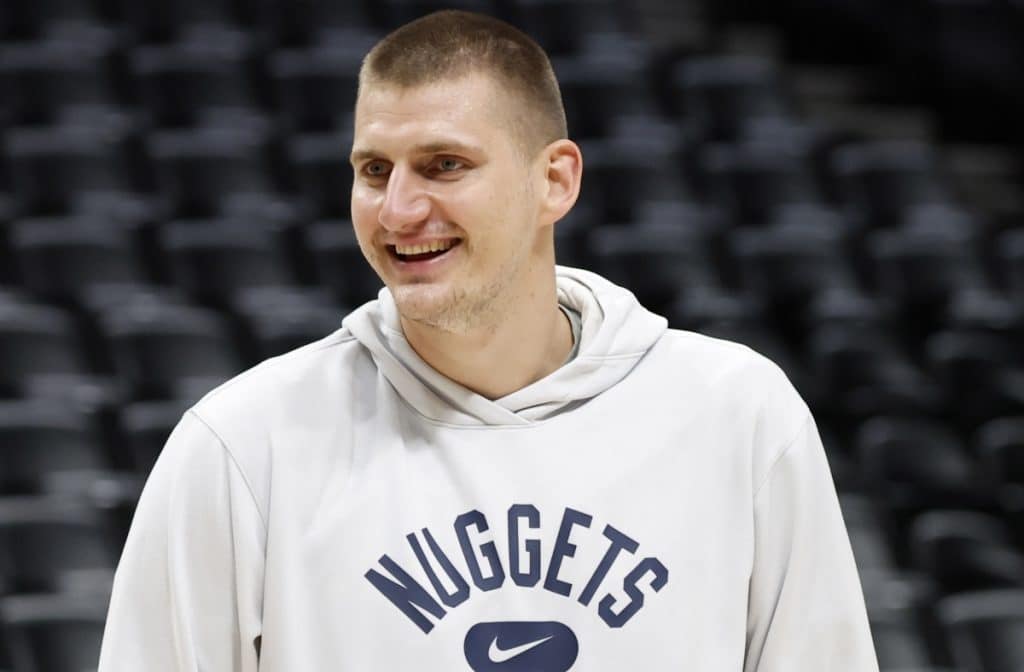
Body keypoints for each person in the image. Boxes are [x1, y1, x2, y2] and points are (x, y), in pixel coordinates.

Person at [97, 9, 879, 671]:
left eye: (444, 165)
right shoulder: (245, 445)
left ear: (555, 181)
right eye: (374, 171)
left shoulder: (737, 416)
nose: (398, 210)